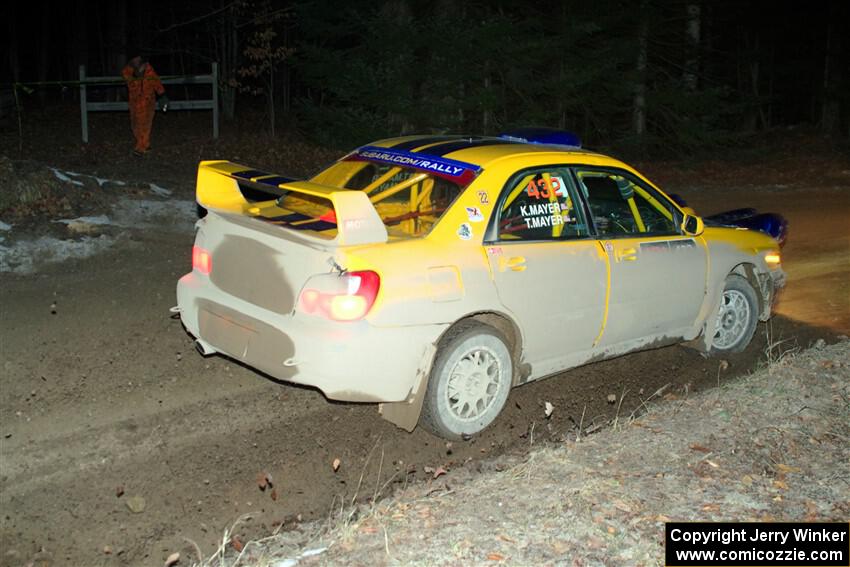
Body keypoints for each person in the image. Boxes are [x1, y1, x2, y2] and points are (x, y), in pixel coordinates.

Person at [121, 55, 168, 156]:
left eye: (137, 59)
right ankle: (145, 145)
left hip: (147, 102)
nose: (136, 61)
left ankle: (141, 147)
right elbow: (125, 75)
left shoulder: (149, 71)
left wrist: (162, 96)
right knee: (135, 125)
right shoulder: (129, 72)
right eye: (134, 59)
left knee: (145, 125)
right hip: (134, 102)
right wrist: (133, 71)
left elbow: (157, 83)